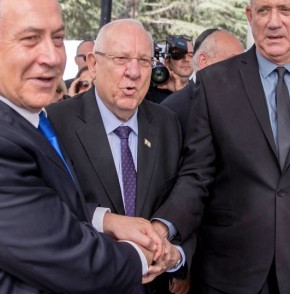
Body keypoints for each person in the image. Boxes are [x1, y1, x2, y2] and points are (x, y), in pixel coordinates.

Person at [0, 1, 168, 293]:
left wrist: (104, 221)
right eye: (30, 39)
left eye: (57, 38)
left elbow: (45, 209)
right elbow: (71, 262)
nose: (52, 57)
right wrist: (141, 256)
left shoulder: (13, 115)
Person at [151, 0, 290, 293]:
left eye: (285, 10)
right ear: (249, 15)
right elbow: (196, 177)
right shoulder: (215, 83)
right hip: (225, 276)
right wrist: (162, 227)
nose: (273, 22)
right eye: (264, 10)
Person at [47, 19, 184, 294]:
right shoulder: (55, 123)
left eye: (144, 61)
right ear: (93, 65)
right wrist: (106, 221)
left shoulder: (168, 124)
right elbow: (43, 207)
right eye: (121, 58)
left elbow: (183, 198)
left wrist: (178, 254)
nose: (133, 72)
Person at [161, 28, 244, 137]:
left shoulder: (243, 105)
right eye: (233, 61)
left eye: (242, 62)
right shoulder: (171, 111)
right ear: (203, 61)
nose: (241, 69)